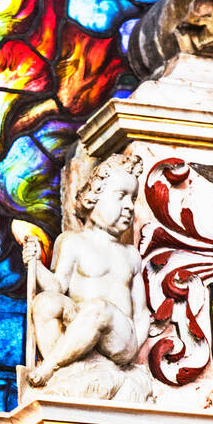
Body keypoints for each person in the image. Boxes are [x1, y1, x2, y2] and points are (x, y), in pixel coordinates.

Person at [21, 154, 150, 390]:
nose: (129, 206)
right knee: (45, 302)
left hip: (120, 338)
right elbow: (56, 287)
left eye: (133, 199)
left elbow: (141, 313)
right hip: (83, 324)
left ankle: (51, 366)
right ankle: (68, 369)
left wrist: (133, 354)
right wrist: (35, 263)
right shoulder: (71, 242)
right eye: (121, 196)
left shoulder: (130, 254)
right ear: (94, 197)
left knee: (100, 308)